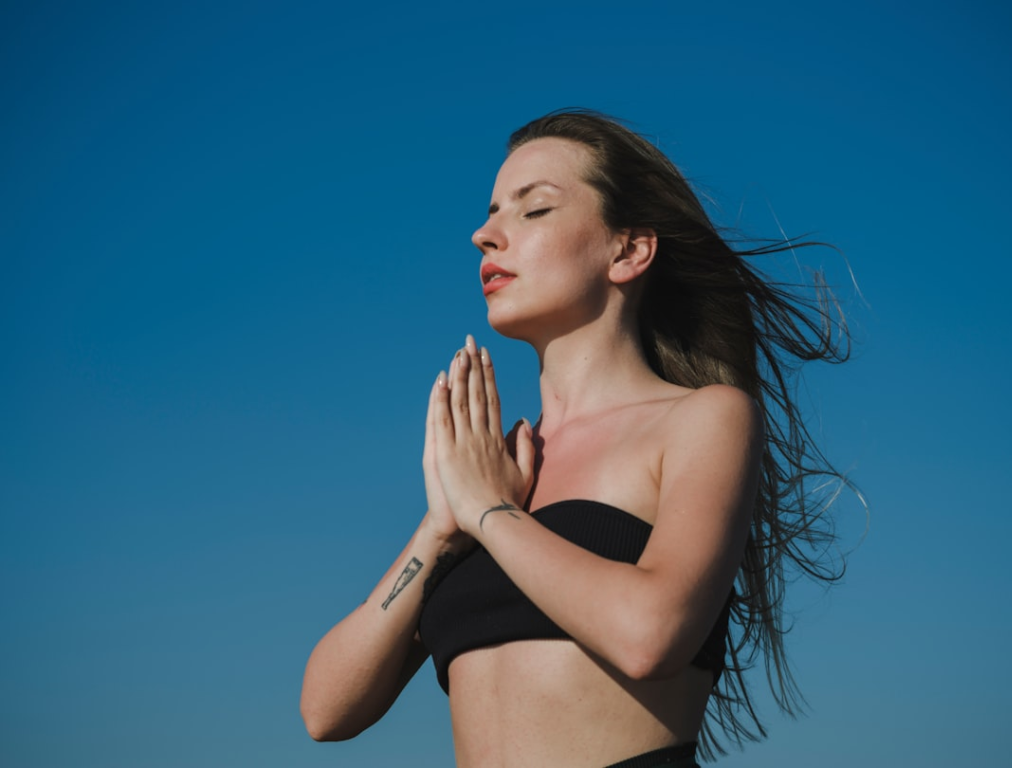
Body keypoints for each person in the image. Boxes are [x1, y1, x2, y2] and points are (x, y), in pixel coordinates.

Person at [300, 110, 852, 767]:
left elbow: (651, 634)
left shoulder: (702, 419)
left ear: (628, 251)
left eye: (533, 210)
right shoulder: (495, 470)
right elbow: (325, 711)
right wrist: (443, 528)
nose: (483, 235)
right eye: (491, 213)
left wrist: (491, 513)